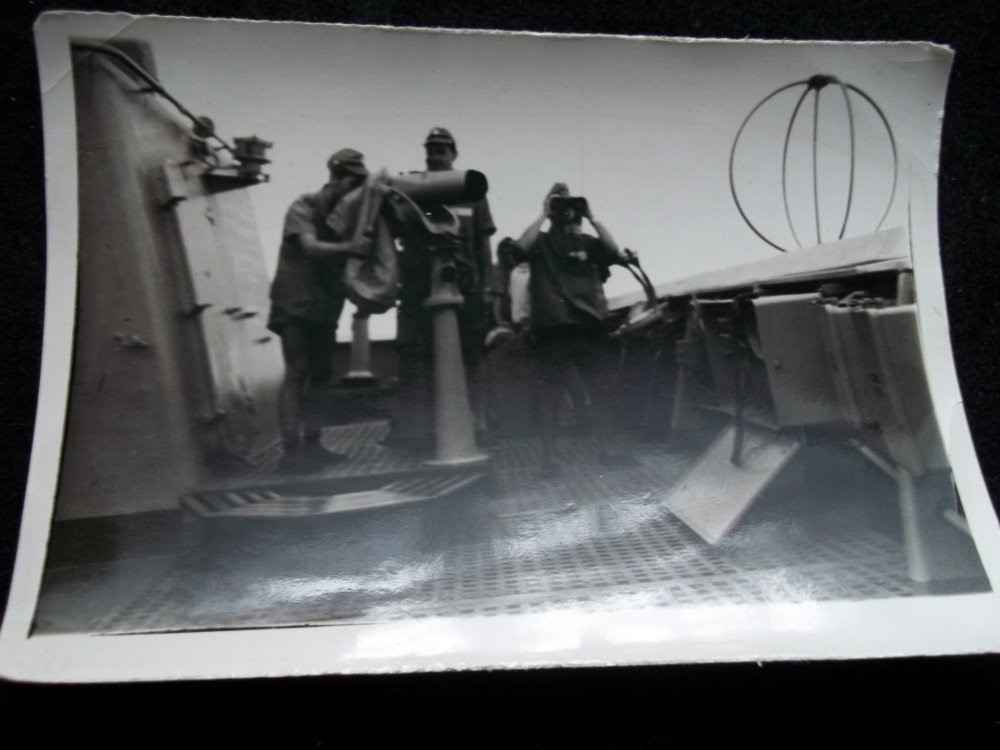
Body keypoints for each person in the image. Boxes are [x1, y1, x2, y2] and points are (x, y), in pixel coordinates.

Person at [507, 183, 637, 475]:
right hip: (553, 329)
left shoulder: (588, 243)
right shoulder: (541, 242)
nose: (565, 209)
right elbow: (519, 249)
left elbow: (612, 250)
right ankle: (549, 461)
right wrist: (544, 213)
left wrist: (591, 216)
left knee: (601, 391)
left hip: (587, 328)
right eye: (559, 203)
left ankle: (607, 452)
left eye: (569, 203)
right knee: (550, 397)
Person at [388, 127, 497, 450]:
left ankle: (478, 422)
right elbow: (396, 233)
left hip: (466, 286)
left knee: (473, 356)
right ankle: (422, 429)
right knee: (419, 358)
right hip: (419, 286)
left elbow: (483, 244)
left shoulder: (470, 192)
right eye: (430, 150)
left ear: (454, 154)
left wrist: (489, 287)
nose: (434, 156)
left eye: (441, 150)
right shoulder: (413, 190)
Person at [267, 148, 373, 472]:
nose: (355, 191)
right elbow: (310, 247)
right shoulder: (304, 206)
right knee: (297, 371)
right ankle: (291, 454)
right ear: (335, 179)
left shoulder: (348, 217)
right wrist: (350, 247)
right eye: (352, 183)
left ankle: (313, 446)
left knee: (323, 375)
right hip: (296, 301)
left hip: (326, 305)